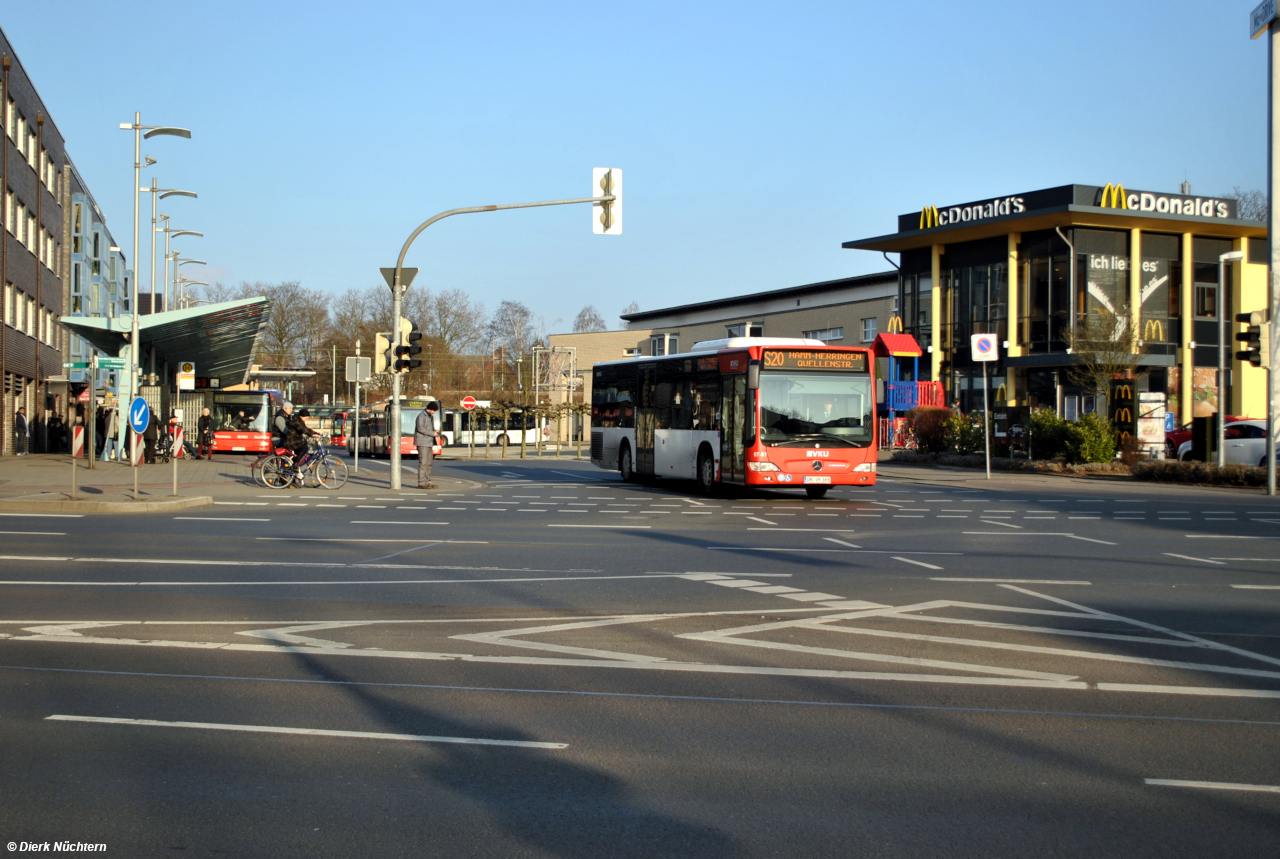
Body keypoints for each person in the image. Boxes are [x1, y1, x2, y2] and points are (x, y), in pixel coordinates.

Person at [414, 401, 442, 489]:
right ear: (429, 409)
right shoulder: (421, 416)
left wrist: (435, 431)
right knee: (423, 463)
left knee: (429, 463)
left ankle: (427, 481)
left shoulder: (430, 416)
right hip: (422, 442)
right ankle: (421, 483)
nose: (434, 412)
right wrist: (432, 433)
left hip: (429, 442)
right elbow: (420, 428)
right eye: (434, 411)